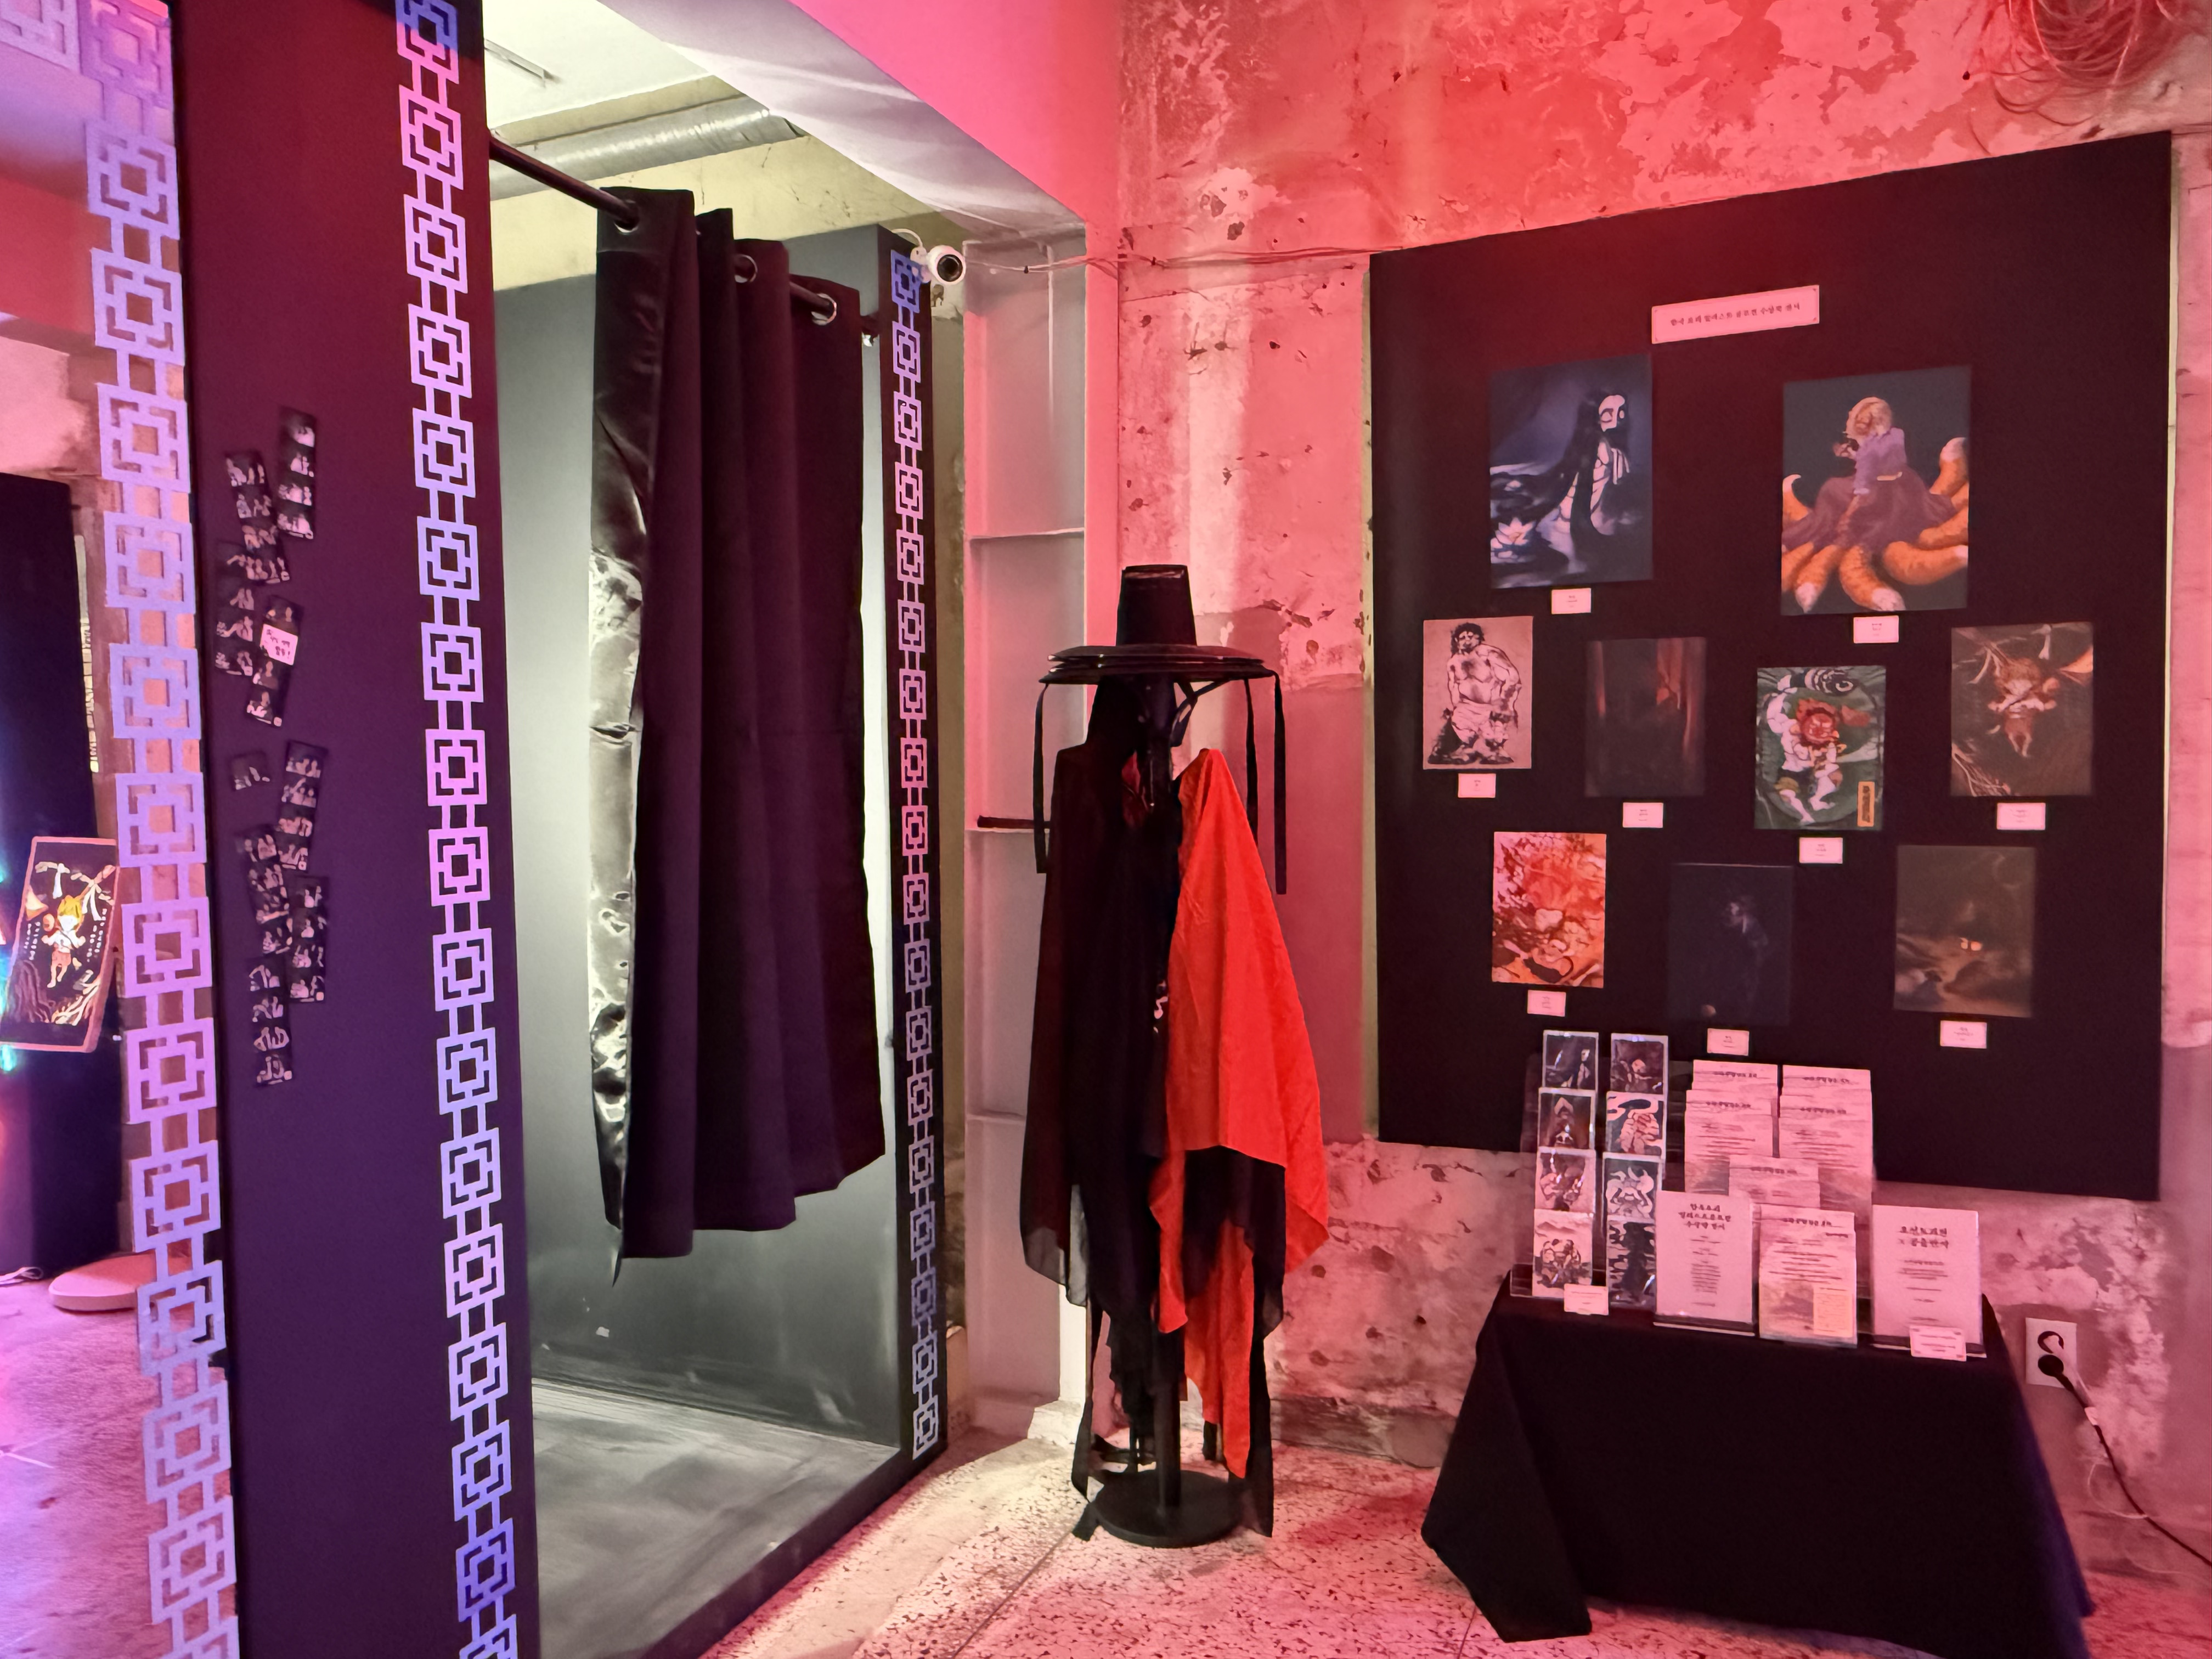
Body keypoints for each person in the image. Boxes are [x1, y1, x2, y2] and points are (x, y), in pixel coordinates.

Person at [1783, 396, 1957, 572]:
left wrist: (1848, 515)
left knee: (1831, 489)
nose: (1858, 427)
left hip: (1877, 496)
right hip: (1905, 484)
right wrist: (1853, 455)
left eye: (1863, 423)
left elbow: (1863, 487)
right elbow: (1881, 462)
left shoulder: (1868, 451)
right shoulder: (1897, 434)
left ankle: (1814, 534)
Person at [1428, 622, 1522, 766]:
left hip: (1492, 708)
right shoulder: (1453, 662)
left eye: (1470, 636)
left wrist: (1504, 703)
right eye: (1462, 638)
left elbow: (1513, 677)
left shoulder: (1489, 654)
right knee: (1454, 739)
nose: (1467, 640)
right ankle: (1470, 750)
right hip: (1467, 710)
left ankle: (1490, 749)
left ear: (1479, 638)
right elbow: (1454, 687)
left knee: (1492, 746)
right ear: (1457, 641)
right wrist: (1454, 707)